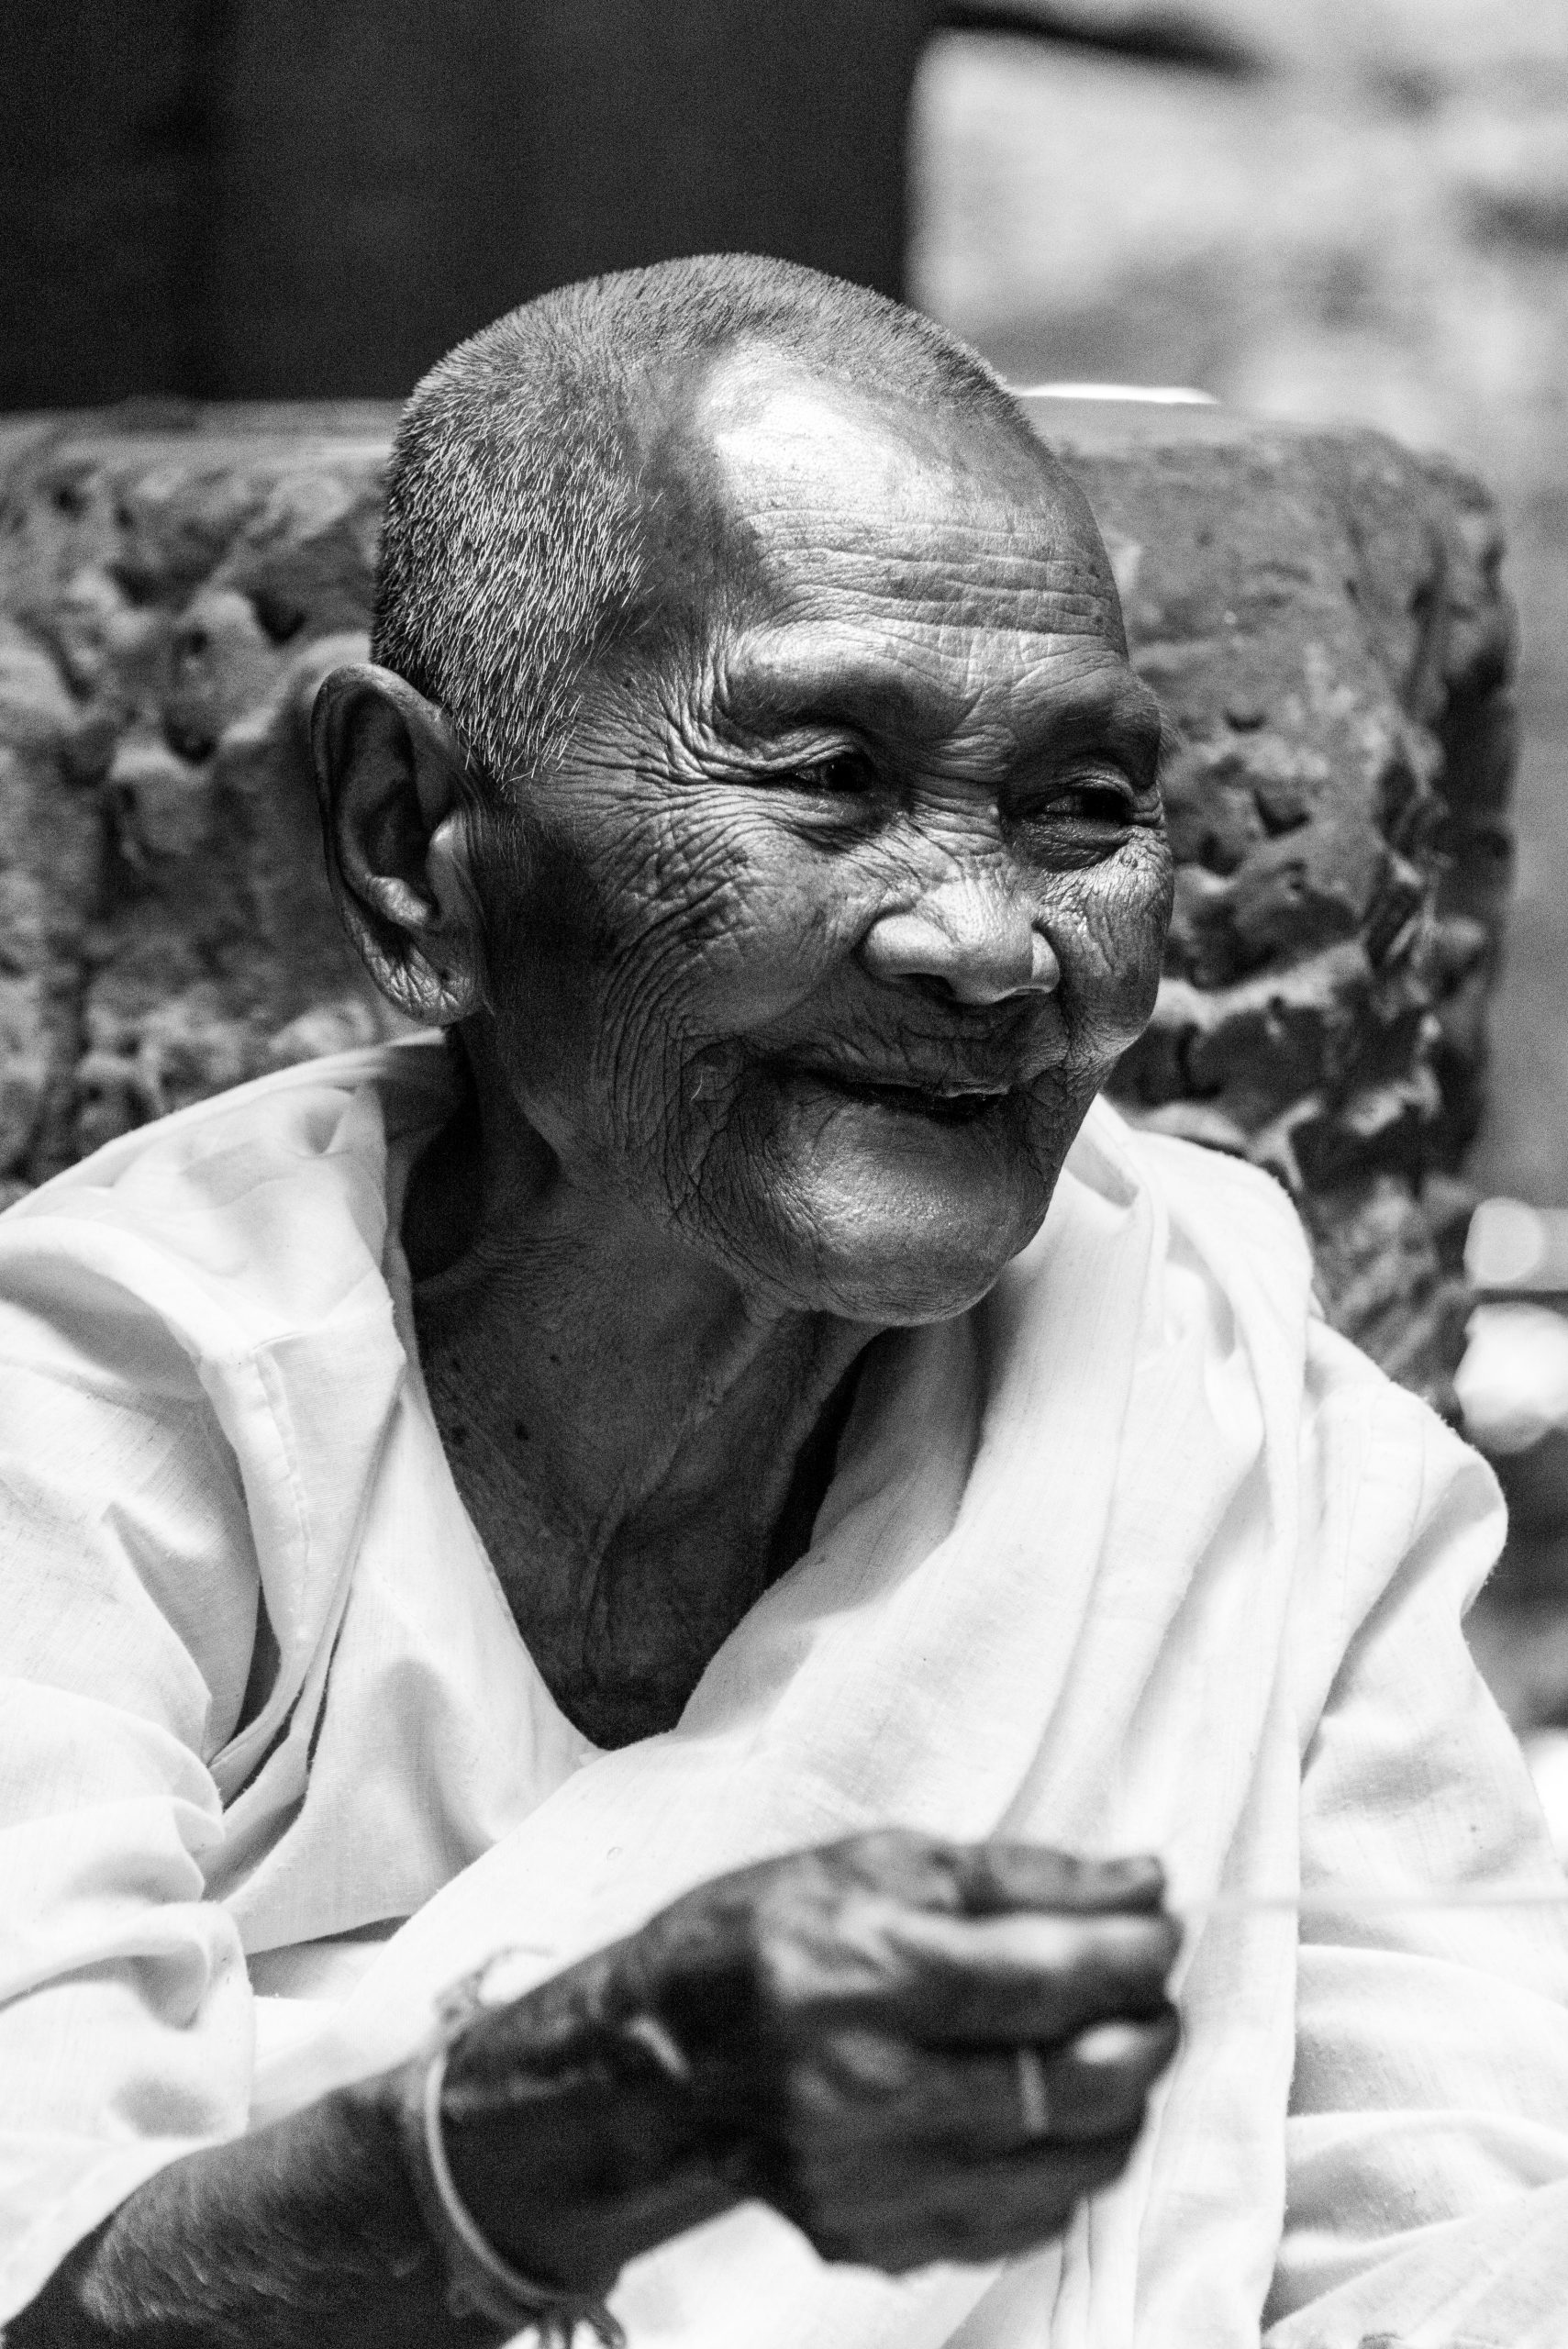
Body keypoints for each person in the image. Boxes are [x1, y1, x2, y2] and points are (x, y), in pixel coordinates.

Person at [2, 255, 1566, 2349]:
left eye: (1081, 809)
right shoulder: (102, 1429)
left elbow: (1448, 2237)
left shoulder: (1228, 1404)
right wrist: (598, 2117)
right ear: (410, 839)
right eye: (829, 774)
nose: (991, 943)